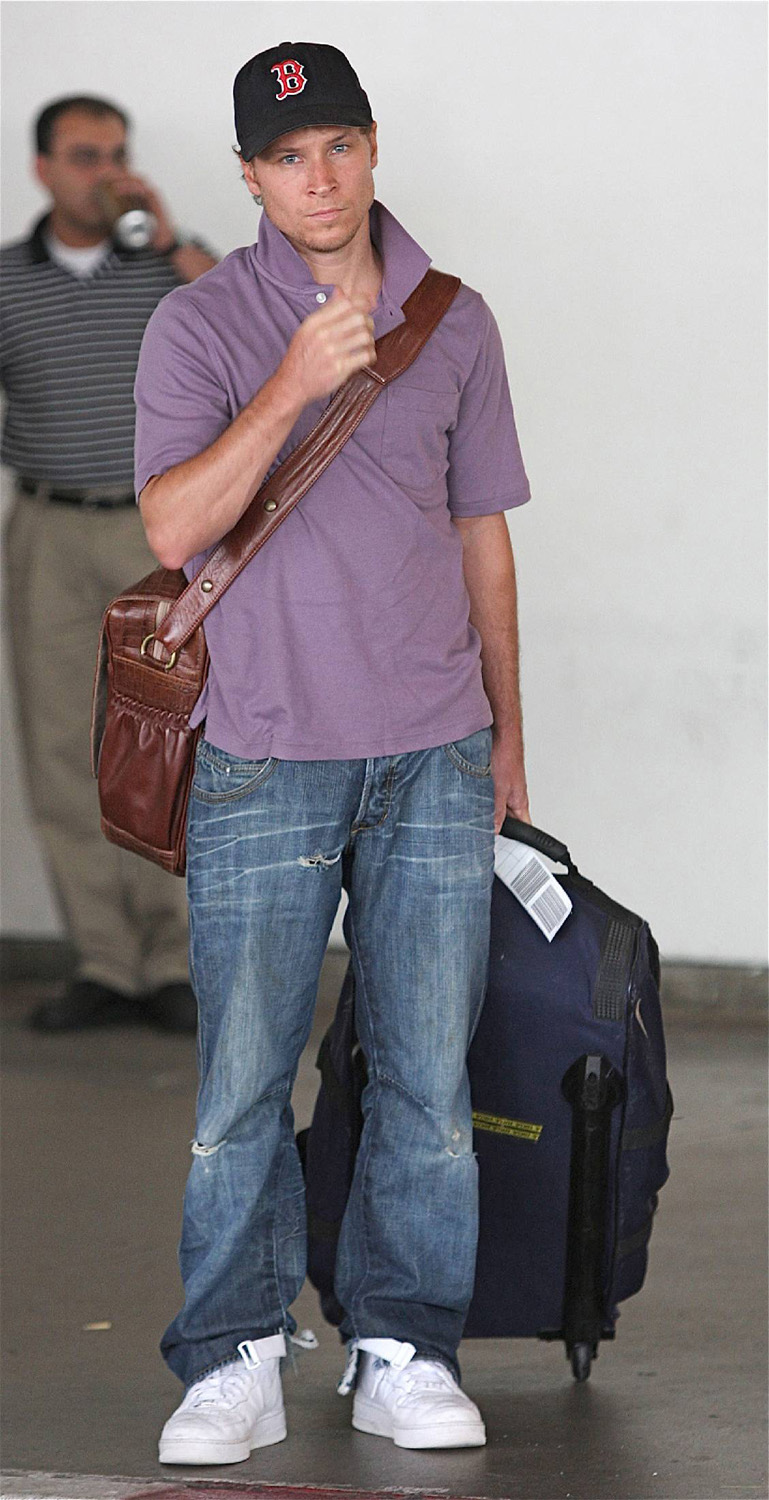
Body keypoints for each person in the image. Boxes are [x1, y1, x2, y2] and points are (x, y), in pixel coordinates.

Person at [135, 42, 531, 1458]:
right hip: (262, 748)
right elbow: (176, 531)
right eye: (290, 156)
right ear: (250, 174)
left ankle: (403, 1344)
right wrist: (294, 381)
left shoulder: (455, 321)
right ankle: (232, 1352)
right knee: (243, 1079)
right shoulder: (199, 325)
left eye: (341, 146)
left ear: (372, 149)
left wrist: (506, 741)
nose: (320, 177)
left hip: (433, 748)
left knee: (431, 1077)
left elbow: (481, 535)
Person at [1, 95, 218, 1033]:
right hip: (47, 530)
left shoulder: (170, 267)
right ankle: (104, 963)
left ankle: (173, 963)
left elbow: (256, 327)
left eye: (117, 154)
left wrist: (168, 237)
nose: (105, 171)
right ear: (42, 168)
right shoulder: (6, 280)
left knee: (166, 739)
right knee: (60, 749)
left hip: (153, 536)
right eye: (85, 155)